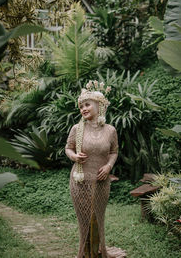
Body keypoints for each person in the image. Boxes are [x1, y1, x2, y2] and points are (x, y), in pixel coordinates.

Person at [65, 80, 119, 258]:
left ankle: (98, 251)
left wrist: (109, 165)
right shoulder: (76, 129)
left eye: (87, 104)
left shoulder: (110, 130)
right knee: (84, 220)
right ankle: (85, 253)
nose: (83, 109)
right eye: (81, 106)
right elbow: (68, 148)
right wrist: (74, 156)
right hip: (80, 180)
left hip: (102, 180)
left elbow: (114, 152)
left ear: (99, 106)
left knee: (98, 218)